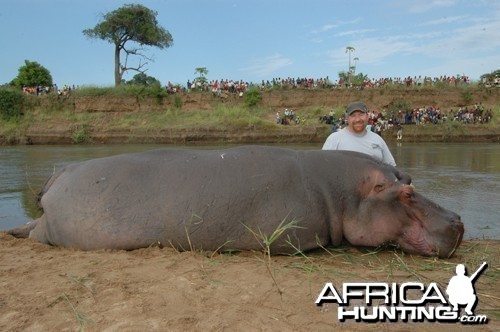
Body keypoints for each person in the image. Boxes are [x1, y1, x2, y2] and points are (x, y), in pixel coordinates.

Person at [322, 101, 396, 166]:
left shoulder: (377, 139)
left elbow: (391, 167)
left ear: (367, 116)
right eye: (353, 116)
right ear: (347, 118)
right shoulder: (334, 139)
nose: (357, 119)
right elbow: (323, 168)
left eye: (361, 115)